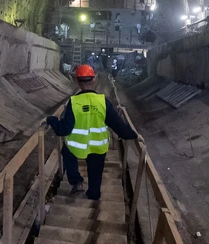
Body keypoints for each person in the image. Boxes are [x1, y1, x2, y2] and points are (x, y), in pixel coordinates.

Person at [46, 64, 139, 200]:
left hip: (76, 146)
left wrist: (52, 120)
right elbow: (118, 124)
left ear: (76, 81)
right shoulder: (103, 102)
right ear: (94, 79)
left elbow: (63, 130)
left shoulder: (74, 102)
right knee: (96, 171)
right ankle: (93, 194)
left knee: (66, 152)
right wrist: (132, 134)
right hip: (98, 146)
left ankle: (76, 181)